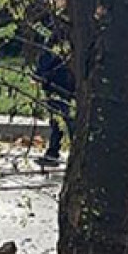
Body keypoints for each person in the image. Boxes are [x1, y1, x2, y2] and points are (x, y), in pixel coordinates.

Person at [35, 34, 74, 167]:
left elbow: (48, 57)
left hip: (60, 83)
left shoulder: (62, 37)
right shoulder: (59, 36)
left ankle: (56, 152)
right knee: (58, 120)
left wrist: (41, 74)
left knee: (63, 118)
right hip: (57, 83)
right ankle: (53, 152)